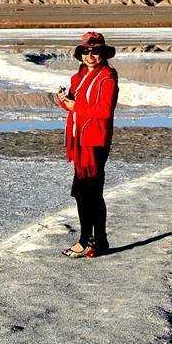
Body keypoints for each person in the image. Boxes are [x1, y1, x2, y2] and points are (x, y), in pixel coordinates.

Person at [54, 30, 119, 258]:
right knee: (85, 193)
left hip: (95, 142)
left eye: (96, 52)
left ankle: (86, 241)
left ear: (103, 54)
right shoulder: (78, 78)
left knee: (90, 193)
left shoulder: (107, 78)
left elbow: (103, 111)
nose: (91, 57)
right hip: (80, 141)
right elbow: (75, 107)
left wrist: (74, 106)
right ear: (81, 54)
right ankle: (99, 241)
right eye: (86, 52)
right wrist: (64, 101)